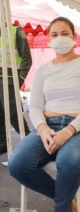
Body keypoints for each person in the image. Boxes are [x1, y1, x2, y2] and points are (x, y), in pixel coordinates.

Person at [8, 17, 80, 212]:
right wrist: (41, 129)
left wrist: (68, 131)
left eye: (65, 33)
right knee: (17, 164)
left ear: (74, 37)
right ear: (49, 39)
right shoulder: (42, 71)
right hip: (47, 127)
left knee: (69, 161)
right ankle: (66, 201)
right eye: (54, 34)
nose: (59, 38)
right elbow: (36, 106)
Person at [0, 24, 32, 154]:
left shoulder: (16, 31)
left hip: (9, 78)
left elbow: (26, 57)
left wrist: (20, 78)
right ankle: (2, 143)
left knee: (14, 112)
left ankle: (29, 141)